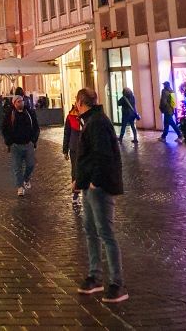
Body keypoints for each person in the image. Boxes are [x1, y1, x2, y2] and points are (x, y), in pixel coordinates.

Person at [74, 87, 128, 303]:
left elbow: (102, 155)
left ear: (80, 102)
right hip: (89, 186)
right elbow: (88, 156)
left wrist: (95, 181)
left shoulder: (97, 122)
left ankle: (117, 283)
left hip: (100, 187)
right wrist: (79, 180)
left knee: (105, 233)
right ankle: (95, 277)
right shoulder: (91, 121)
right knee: (91, 230)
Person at [2, 94, 40, 196]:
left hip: (28, 143)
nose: (21, 103)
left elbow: (36, 126)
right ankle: (20, 187)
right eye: (18, 101)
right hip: (15, 145)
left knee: (31, 164)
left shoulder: (29, 113)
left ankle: (26, 179)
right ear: (14, 103)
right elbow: (4, 129)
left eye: (22, 101)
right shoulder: (10, 114)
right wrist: (9, 141)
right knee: (17, 167)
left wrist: (33, 140)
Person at [63, 103, 82, 204]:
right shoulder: (70, 117)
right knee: (75, 171)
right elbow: (67, 133)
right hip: (74, 148)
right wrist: (65, 150)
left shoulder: (86, 116)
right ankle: (76, 193)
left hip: (85, 148)